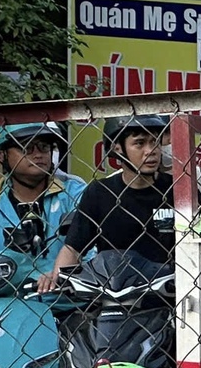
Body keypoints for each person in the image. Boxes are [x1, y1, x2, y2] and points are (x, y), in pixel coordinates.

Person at [0, 124, 83, 368]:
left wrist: (61, 272)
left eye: (45, 147)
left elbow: (96, 249)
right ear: (2, 155)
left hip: (70, 305)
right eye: (27, 147)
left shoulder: (77, 191)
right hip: (6, 307)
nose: (39, 154)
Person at [41, 115, 175, 290]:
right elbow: (73, 248)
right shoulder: (100, 192)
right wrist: (57, 277)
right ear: (117, 148)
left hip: (172, 296)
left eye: (155, 142)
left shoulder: (178, 190)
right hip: (112, 296)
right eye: (140, 143)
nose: (151, 151)